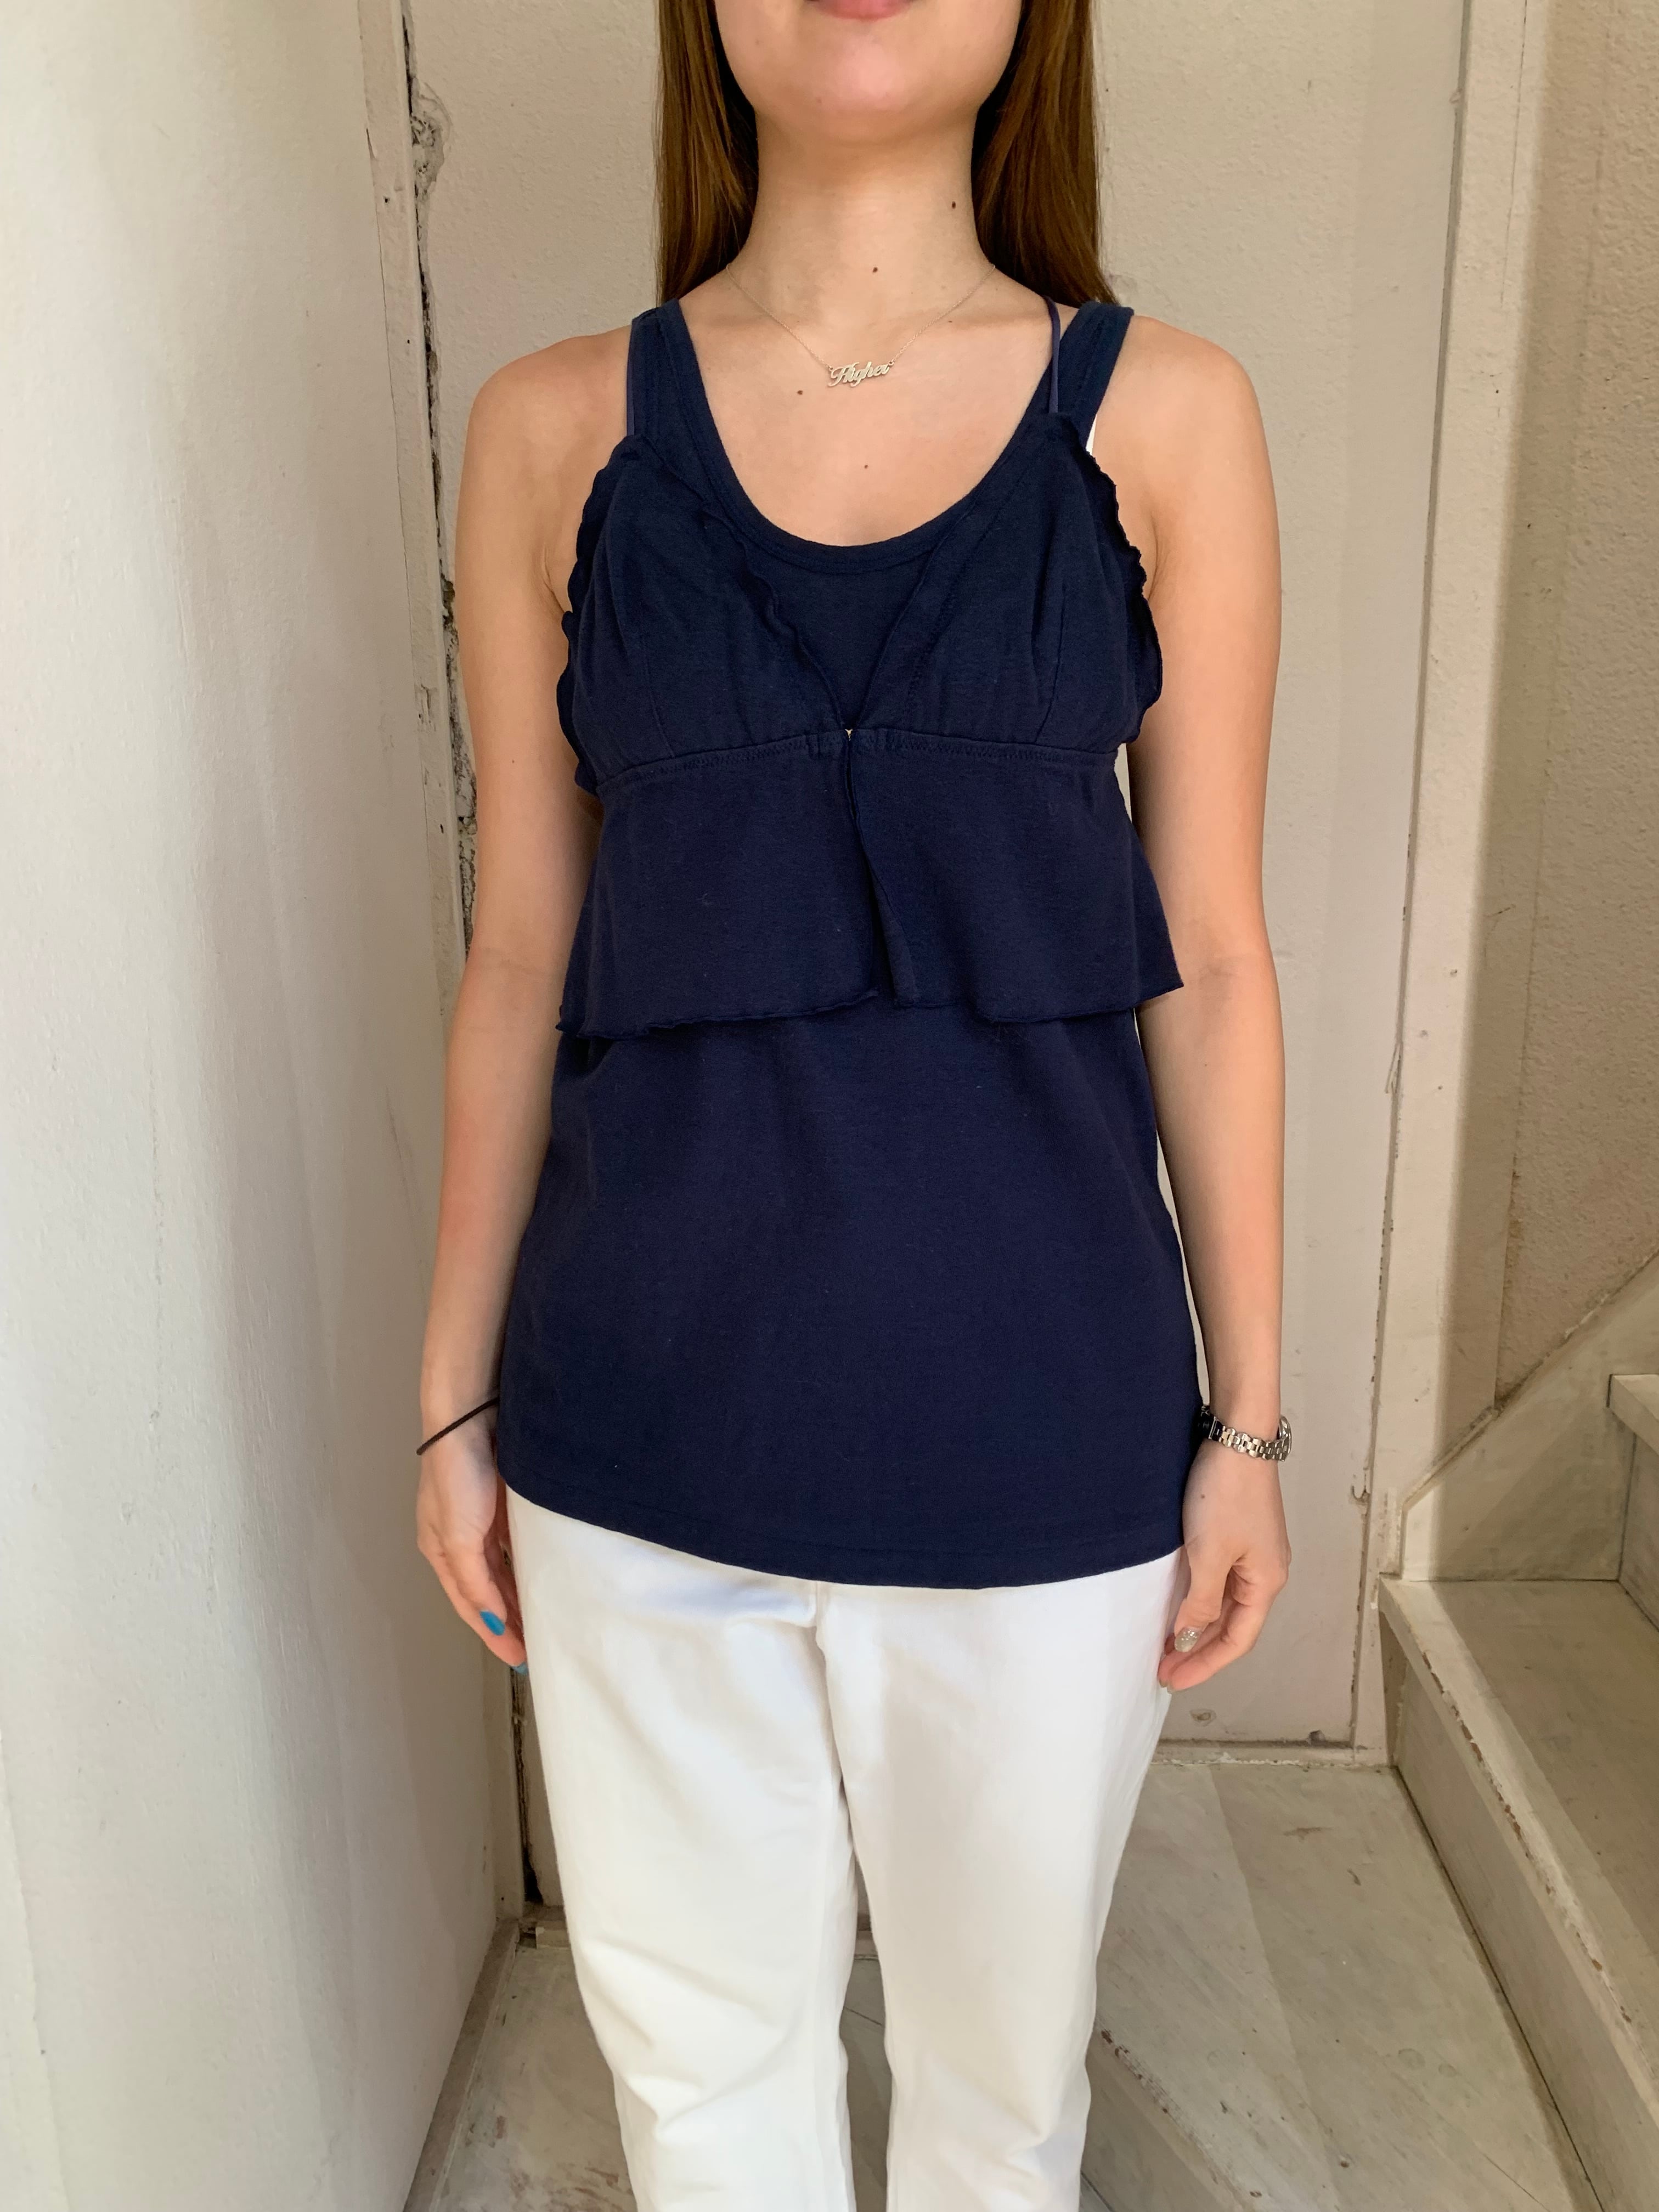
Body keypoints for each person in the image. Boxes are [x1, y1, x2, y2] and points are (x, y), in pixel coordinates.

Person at [416, 1, 1289, 2204]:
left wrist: (1255, 1424)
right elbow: (519, 952)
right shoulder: (549, 430)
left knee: (1005, 2096)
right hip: (639, 1440)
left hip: (1050, 1436)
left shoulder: (1170, 418)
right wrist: (449, 1400)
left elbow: (1213, 957)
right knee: (703, 2096)